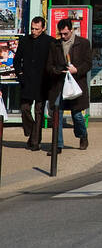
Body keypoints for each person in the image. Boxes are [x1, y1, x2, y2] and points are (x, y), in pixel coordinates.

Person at [47, 18, 93, 151]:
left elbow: (88, 63)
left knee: (77, 114)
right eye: (60, 34)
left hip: (76, 83)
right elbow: (49, 65)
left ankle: (82, 135)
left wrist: (77, 70)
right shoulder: (54, 45)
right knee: (58, 112)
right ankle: (58, 145)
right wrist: (56, 71)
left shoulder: (83, 43)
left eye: (65, 34)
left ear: (71, 30)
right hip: (59, 84)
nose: (63, 36)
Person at [13, 17, 51, 150]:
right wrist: (20, 74)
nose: (34, 31)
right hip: (27, 81)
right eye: (32, 28)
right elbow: (16, 60)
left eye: (37, 29)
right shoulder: (24, 40)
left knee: (39, 111)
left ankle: (35, 141)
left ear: (43, 28)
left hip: (42, 82)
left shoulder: (49, 41)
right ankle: (31, 129)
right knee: (24, 108)